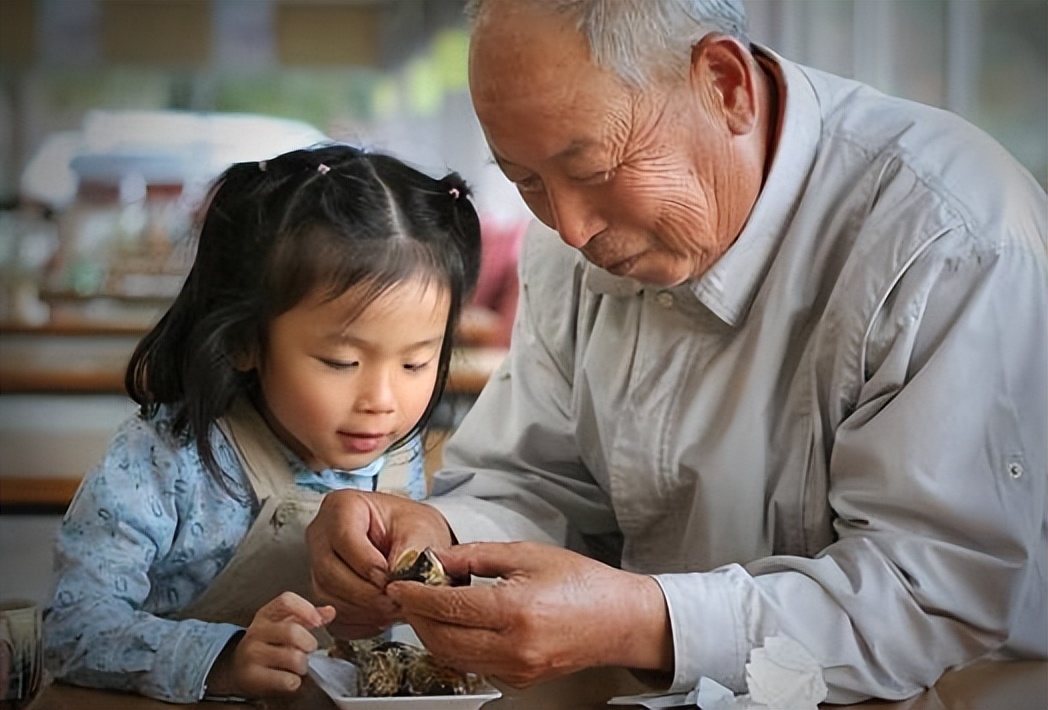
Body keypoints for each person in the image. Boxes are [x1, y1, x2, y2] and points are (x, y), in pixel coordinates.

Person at [306, 0, 1047, 704]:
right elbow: (537, 483)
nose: (568, 227)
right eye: (525, 181)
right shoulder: (569, 245)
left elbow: (931, 595)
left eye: (592, 171)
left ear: (724, 86)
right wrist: (437, 536)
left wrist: (642, 622)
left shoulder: (949, 236)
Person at [43, 143, 482, 703]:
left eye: (416, 362)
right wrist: (224, 659)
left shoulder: (397, 458)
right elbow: (73, 628)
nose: (382, 400)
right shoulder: (166, 459)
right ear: (245, 340)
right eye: (342, 363)